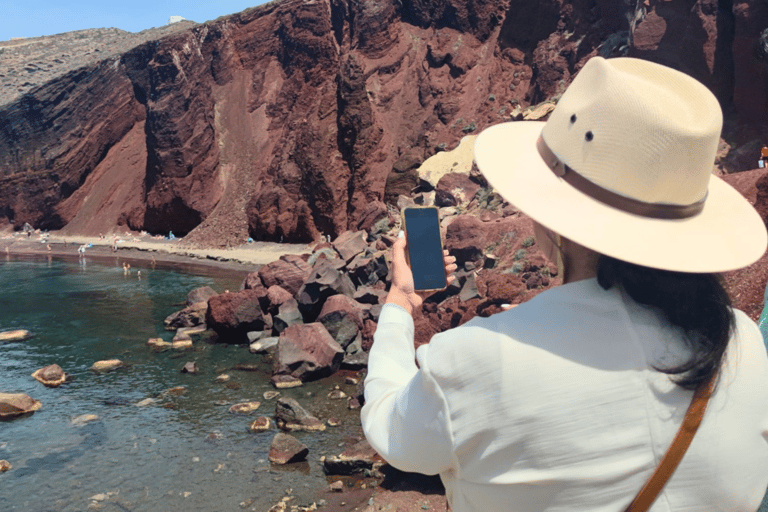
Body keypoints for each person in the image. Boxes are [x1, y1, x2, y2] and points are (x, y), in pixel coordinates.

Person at [361, 57, 768, 512]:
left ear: (556, 223)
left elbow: (390, 428)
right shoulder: (743, 341)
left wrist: (400, 302)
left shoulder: (477, 360)